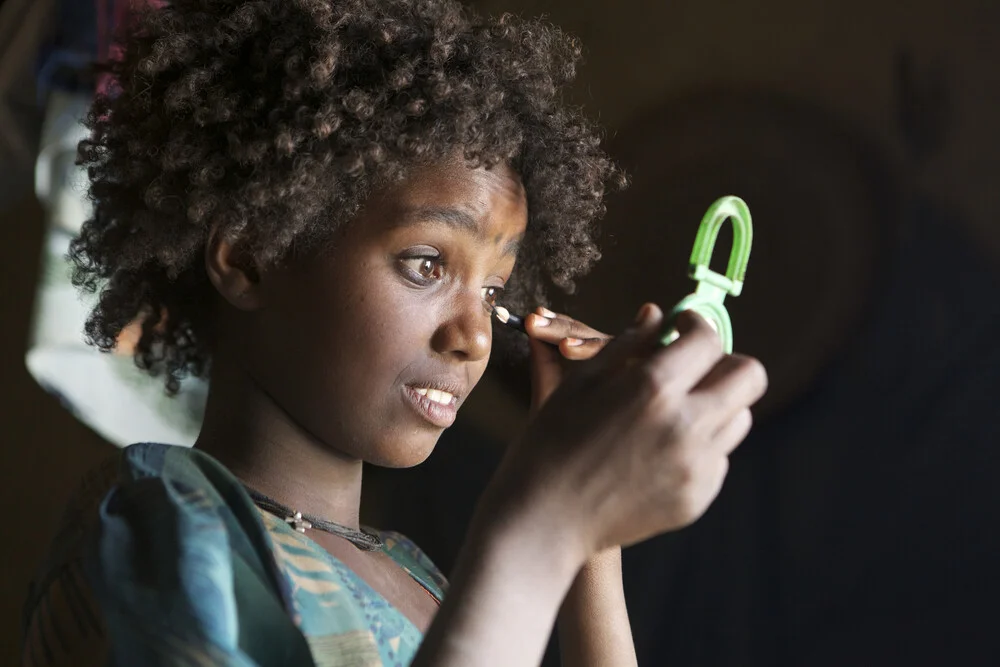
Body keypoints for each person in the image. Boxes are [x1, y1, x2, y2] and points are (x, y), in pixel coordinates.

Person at [21, 0, 768, 665]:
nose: (474, 336)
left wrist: (588, 543)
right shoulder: (150, 526)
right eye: (424, 264)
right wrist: (544, 524)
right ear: (249, 256)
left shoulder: (415, 575)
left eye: (495, 290)